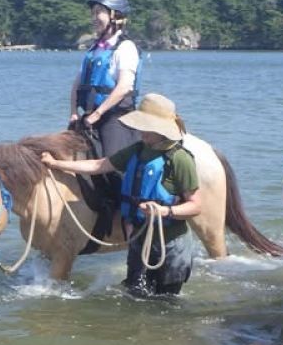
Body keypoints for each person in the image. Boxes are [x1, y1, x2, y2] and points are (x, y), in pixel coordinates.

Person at [44, 93, 200, 297]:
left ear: (161, 130)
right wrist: (56, 164)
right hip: (138, 241)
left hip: (169, 247)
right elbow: (100, 165)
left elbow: (196, 206)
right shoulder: (137, 150)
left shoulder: (180, 160)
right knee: (135, 297)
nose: (140, 131)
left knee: (166, 304)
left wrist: (165, 211)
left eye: (146, 127)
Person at [70, 0, 142, 158]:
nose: (94, 18)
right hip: (87, 116)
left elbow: (124, 87)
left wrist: (97, 114)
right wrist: (73, 113)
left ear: (114, 16)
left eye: (98, 13)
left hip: (115, 118)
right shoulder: (94, 49)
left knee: (113, 165)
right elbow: (76, 84)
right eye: (92, 13)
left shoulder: (125, 48)